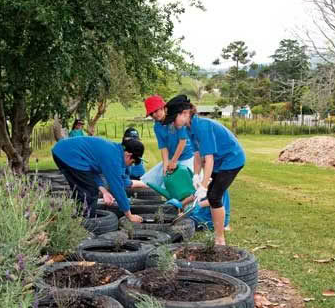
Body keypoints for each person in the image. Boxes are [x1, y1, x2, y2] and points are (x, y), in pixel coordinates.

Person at [163, 94, 245, 246]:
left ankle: (220, 238)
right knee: (213, 197)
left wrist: (204, 185)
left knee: (214, 196)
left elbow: (209, 159)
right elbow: (197, 155)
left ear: (185, 113)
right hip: (221, 162)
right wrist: (196, 176)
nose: (173, 123)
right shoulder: (189, 128)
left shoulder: (202, 126)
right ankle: (219, 233)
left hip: (232, 159)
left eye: (174, 118)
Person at [51, 136, 144, 223]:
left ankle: (79, 220)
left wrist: (104, 192)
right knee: (90, 192)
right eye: (132, 162)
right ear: (128, 155)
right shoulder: (113, 159)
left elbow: (92, 171)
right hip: (69, 155)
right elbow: (117, 188)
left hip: (61, 152)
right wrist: (129, 215)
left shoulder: (114, 150)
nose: (130, 165)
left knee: (82, 190)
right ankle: (86, 225)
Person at [141, 95, 196, 188]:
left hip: (186, 157)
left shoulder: (176, 119)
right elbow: (163, 147)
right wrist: (165, 164)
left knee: (183, 185)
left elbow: (182, 141)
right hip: (171, 158)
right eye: (152, 113)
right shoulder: (157, 126)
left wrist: (174, 161)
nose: (155, 114)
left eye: (157, 110)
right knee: (150, 180)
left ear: (163, 108)